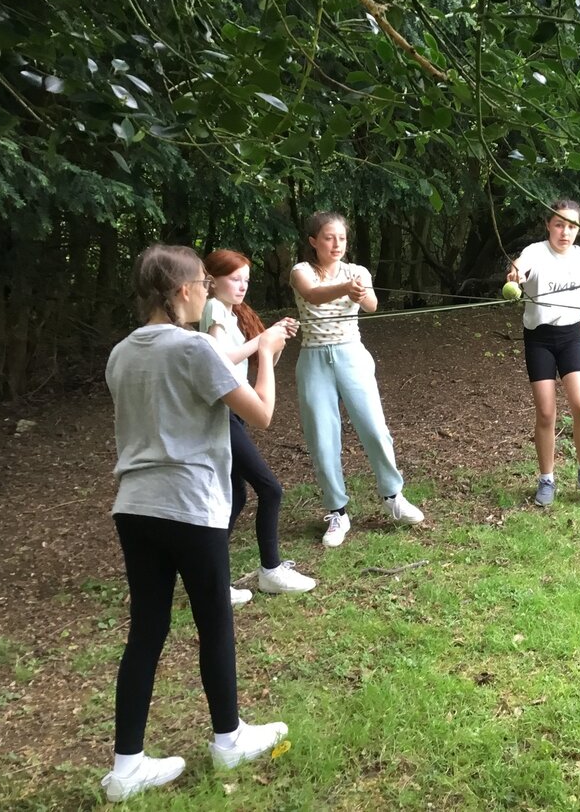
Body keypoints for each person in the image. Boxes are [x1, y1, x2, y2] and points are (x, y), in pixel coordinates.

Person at [100, 245, 291, 802]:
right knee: (214, 621)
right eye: (203, 284)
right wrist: (266, 354)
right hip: (190, 504)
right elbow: (261, 414)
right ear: (183, 291)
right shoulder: (196, 347)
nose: (207, 291)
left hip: (134, 507)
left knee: (146, 630)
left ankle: (126, 767)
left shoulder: (120, 354)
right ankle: (229, 739)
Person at [289, 212, 425, 548]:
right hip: (314, 358)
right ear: (313, 241)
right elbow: (312, 295)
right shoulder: (301, 271)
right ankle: (337, 511)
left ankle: (393, 497)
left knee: (374, 428)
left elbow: (372, 306)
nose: (336, 244)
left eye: (342, 238)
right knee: (323, 438)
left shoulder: (358, 272)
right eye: (328, 238)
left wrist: (360, 293)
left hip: (351, 354)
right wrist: (344, 289)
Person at [201, 249, 316, 597]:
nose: (242, 286)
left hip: (233, 413)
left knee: (236, 497)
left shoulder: (234, 315)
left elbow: (259, 363)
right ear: (212, 281)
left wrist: (275, 342)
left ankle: (212, 580)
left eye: (246, 280)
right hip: (221, 415)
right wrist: (261, 342)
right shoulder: (213, 308)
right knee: (270, 489)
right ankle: (270, 570)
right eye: (235, 279)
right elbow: (221, 359)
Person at [506, 199, 580, 506]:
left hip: (571, 337)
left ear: (578, 229)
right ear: (548, 225)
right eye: (559, 224)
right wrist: (515, 275)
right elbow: (519, 267)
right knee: (547, 412)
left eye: (572, 226)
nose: (565, 232)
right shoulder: (536, 252)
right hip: (539, 339)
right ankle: (546, 478)